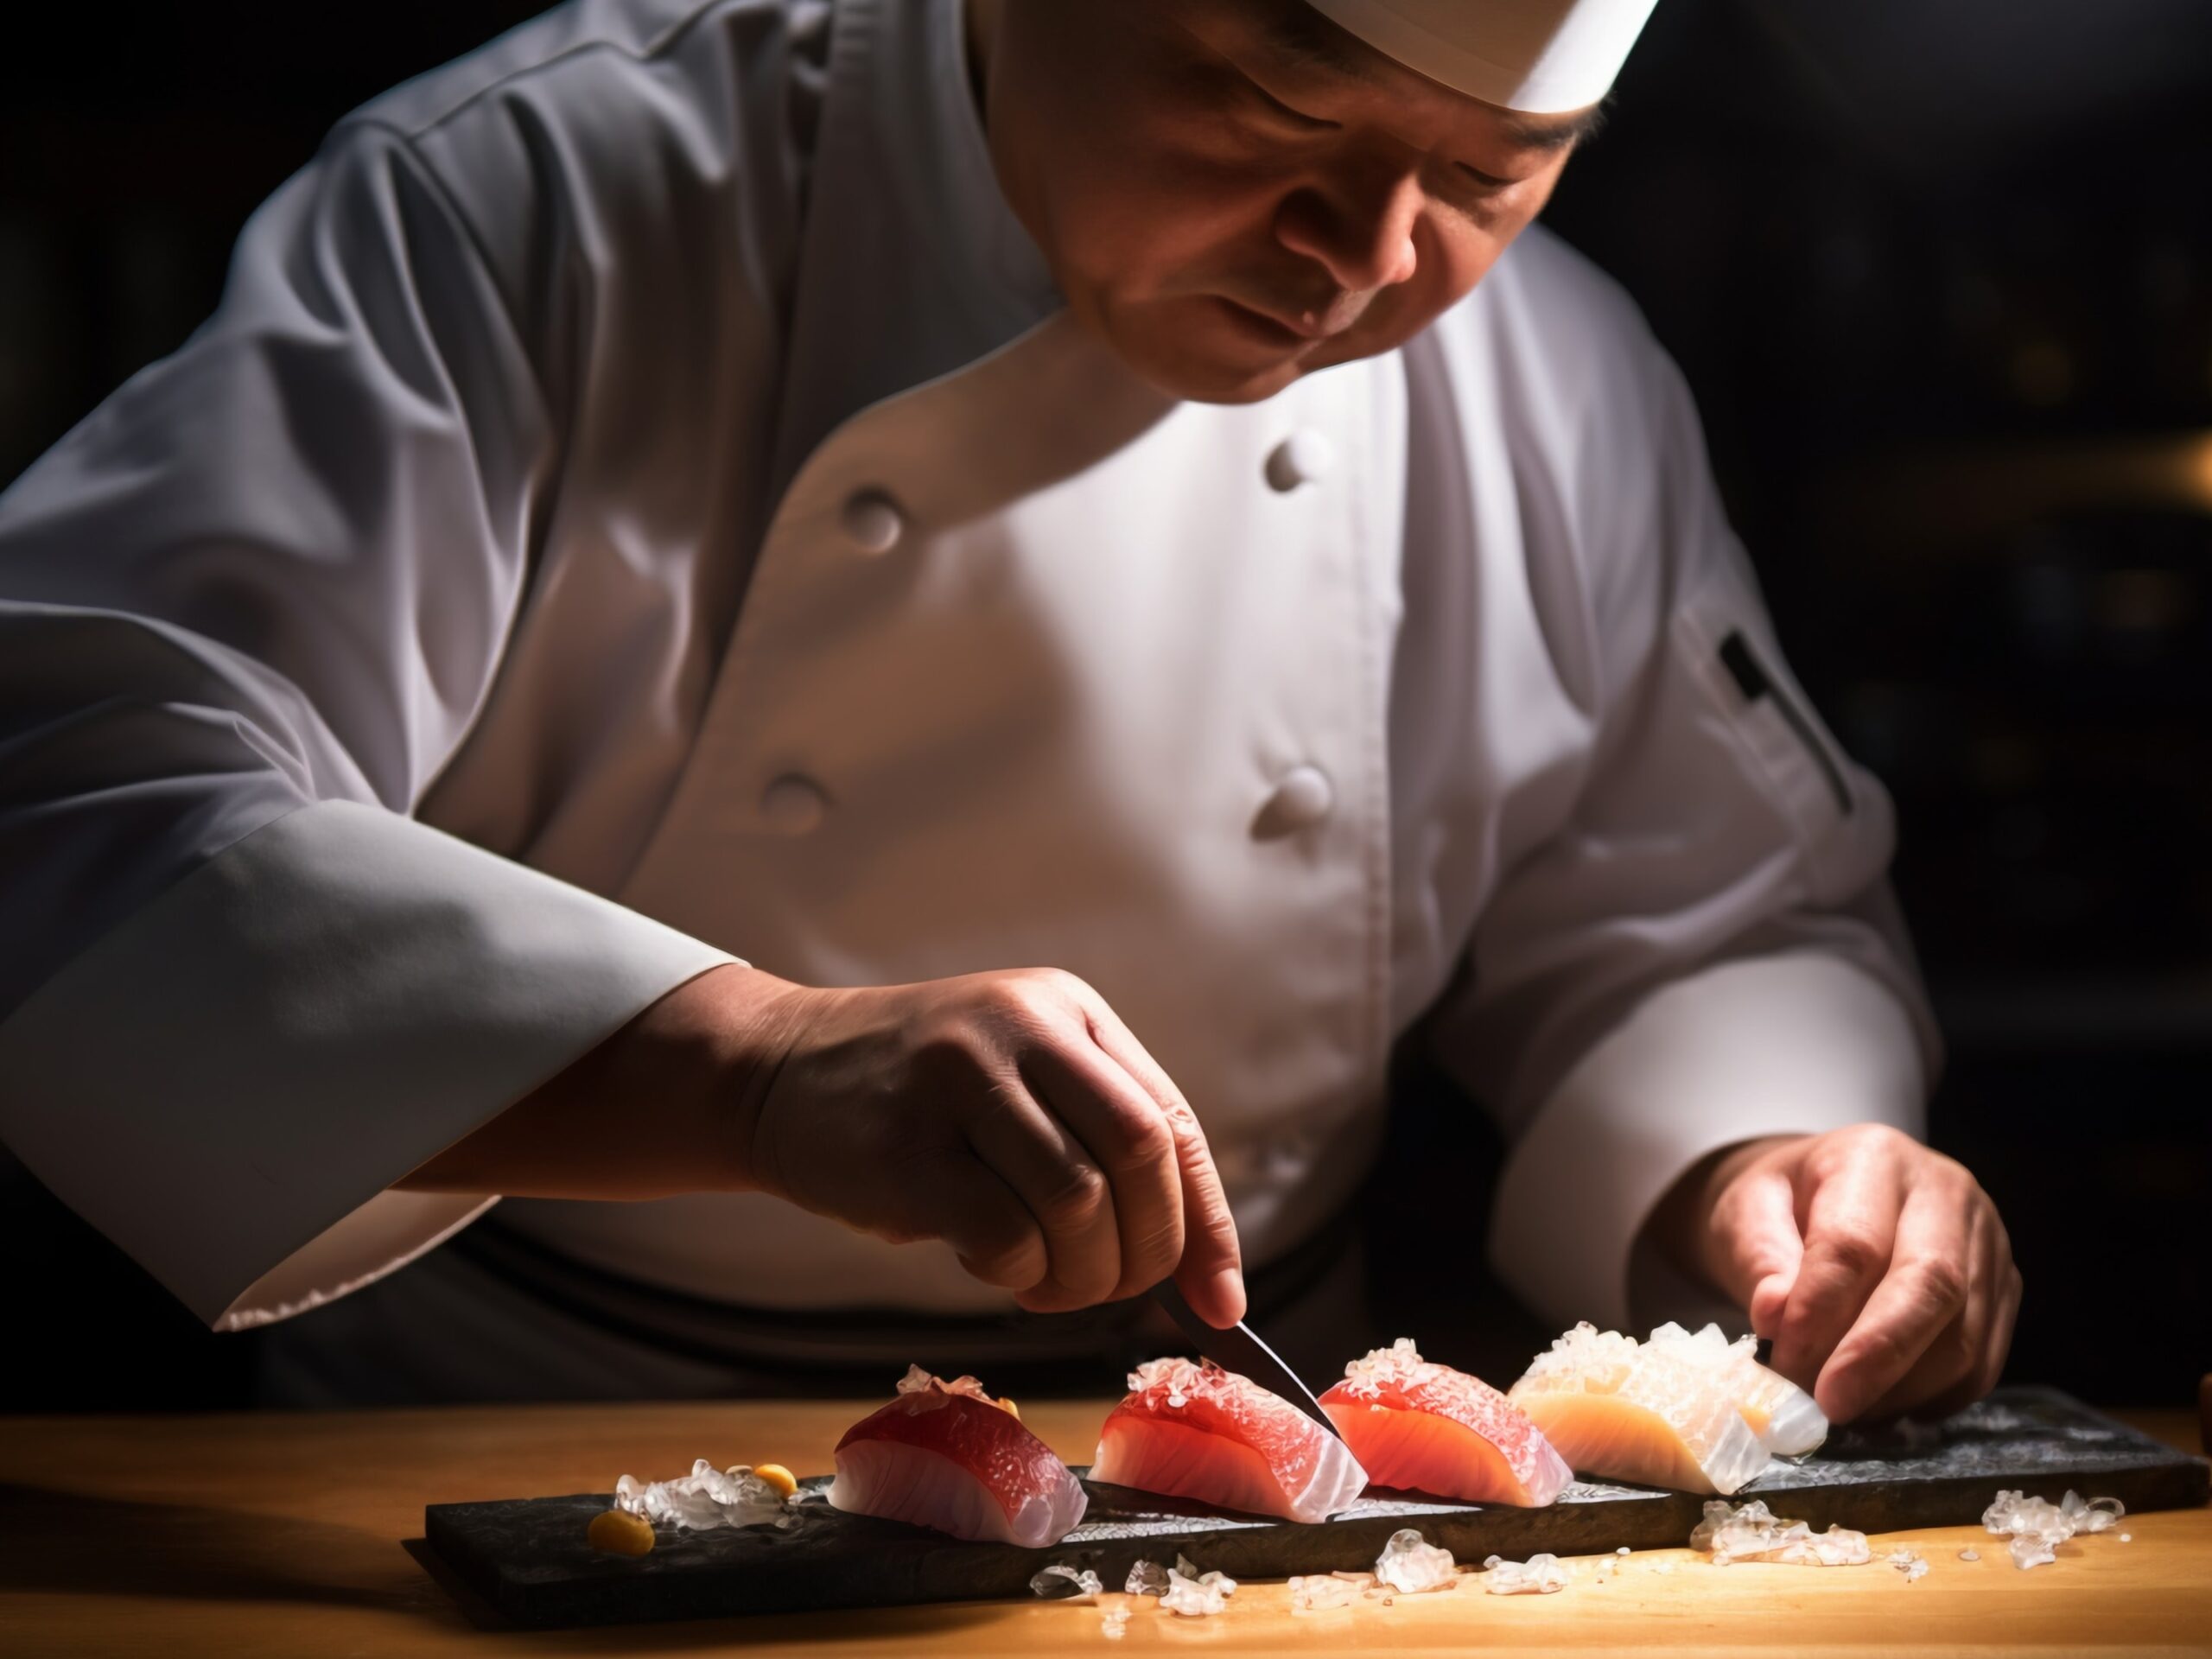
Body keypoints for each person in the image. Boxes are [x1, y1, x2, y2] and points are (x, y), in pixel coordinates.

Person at [0, 0, 2018, 1417]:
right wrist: (751, 1066)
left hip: (1247, 1479)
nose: (1367, 262)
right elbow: (72, 787)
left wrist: (1760, 1166)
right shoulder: (547, 201)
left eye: (1489, 176)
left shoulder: (1555, 380)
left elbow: (1708, 912)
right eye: (1269, 105)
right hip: (510, 1449)